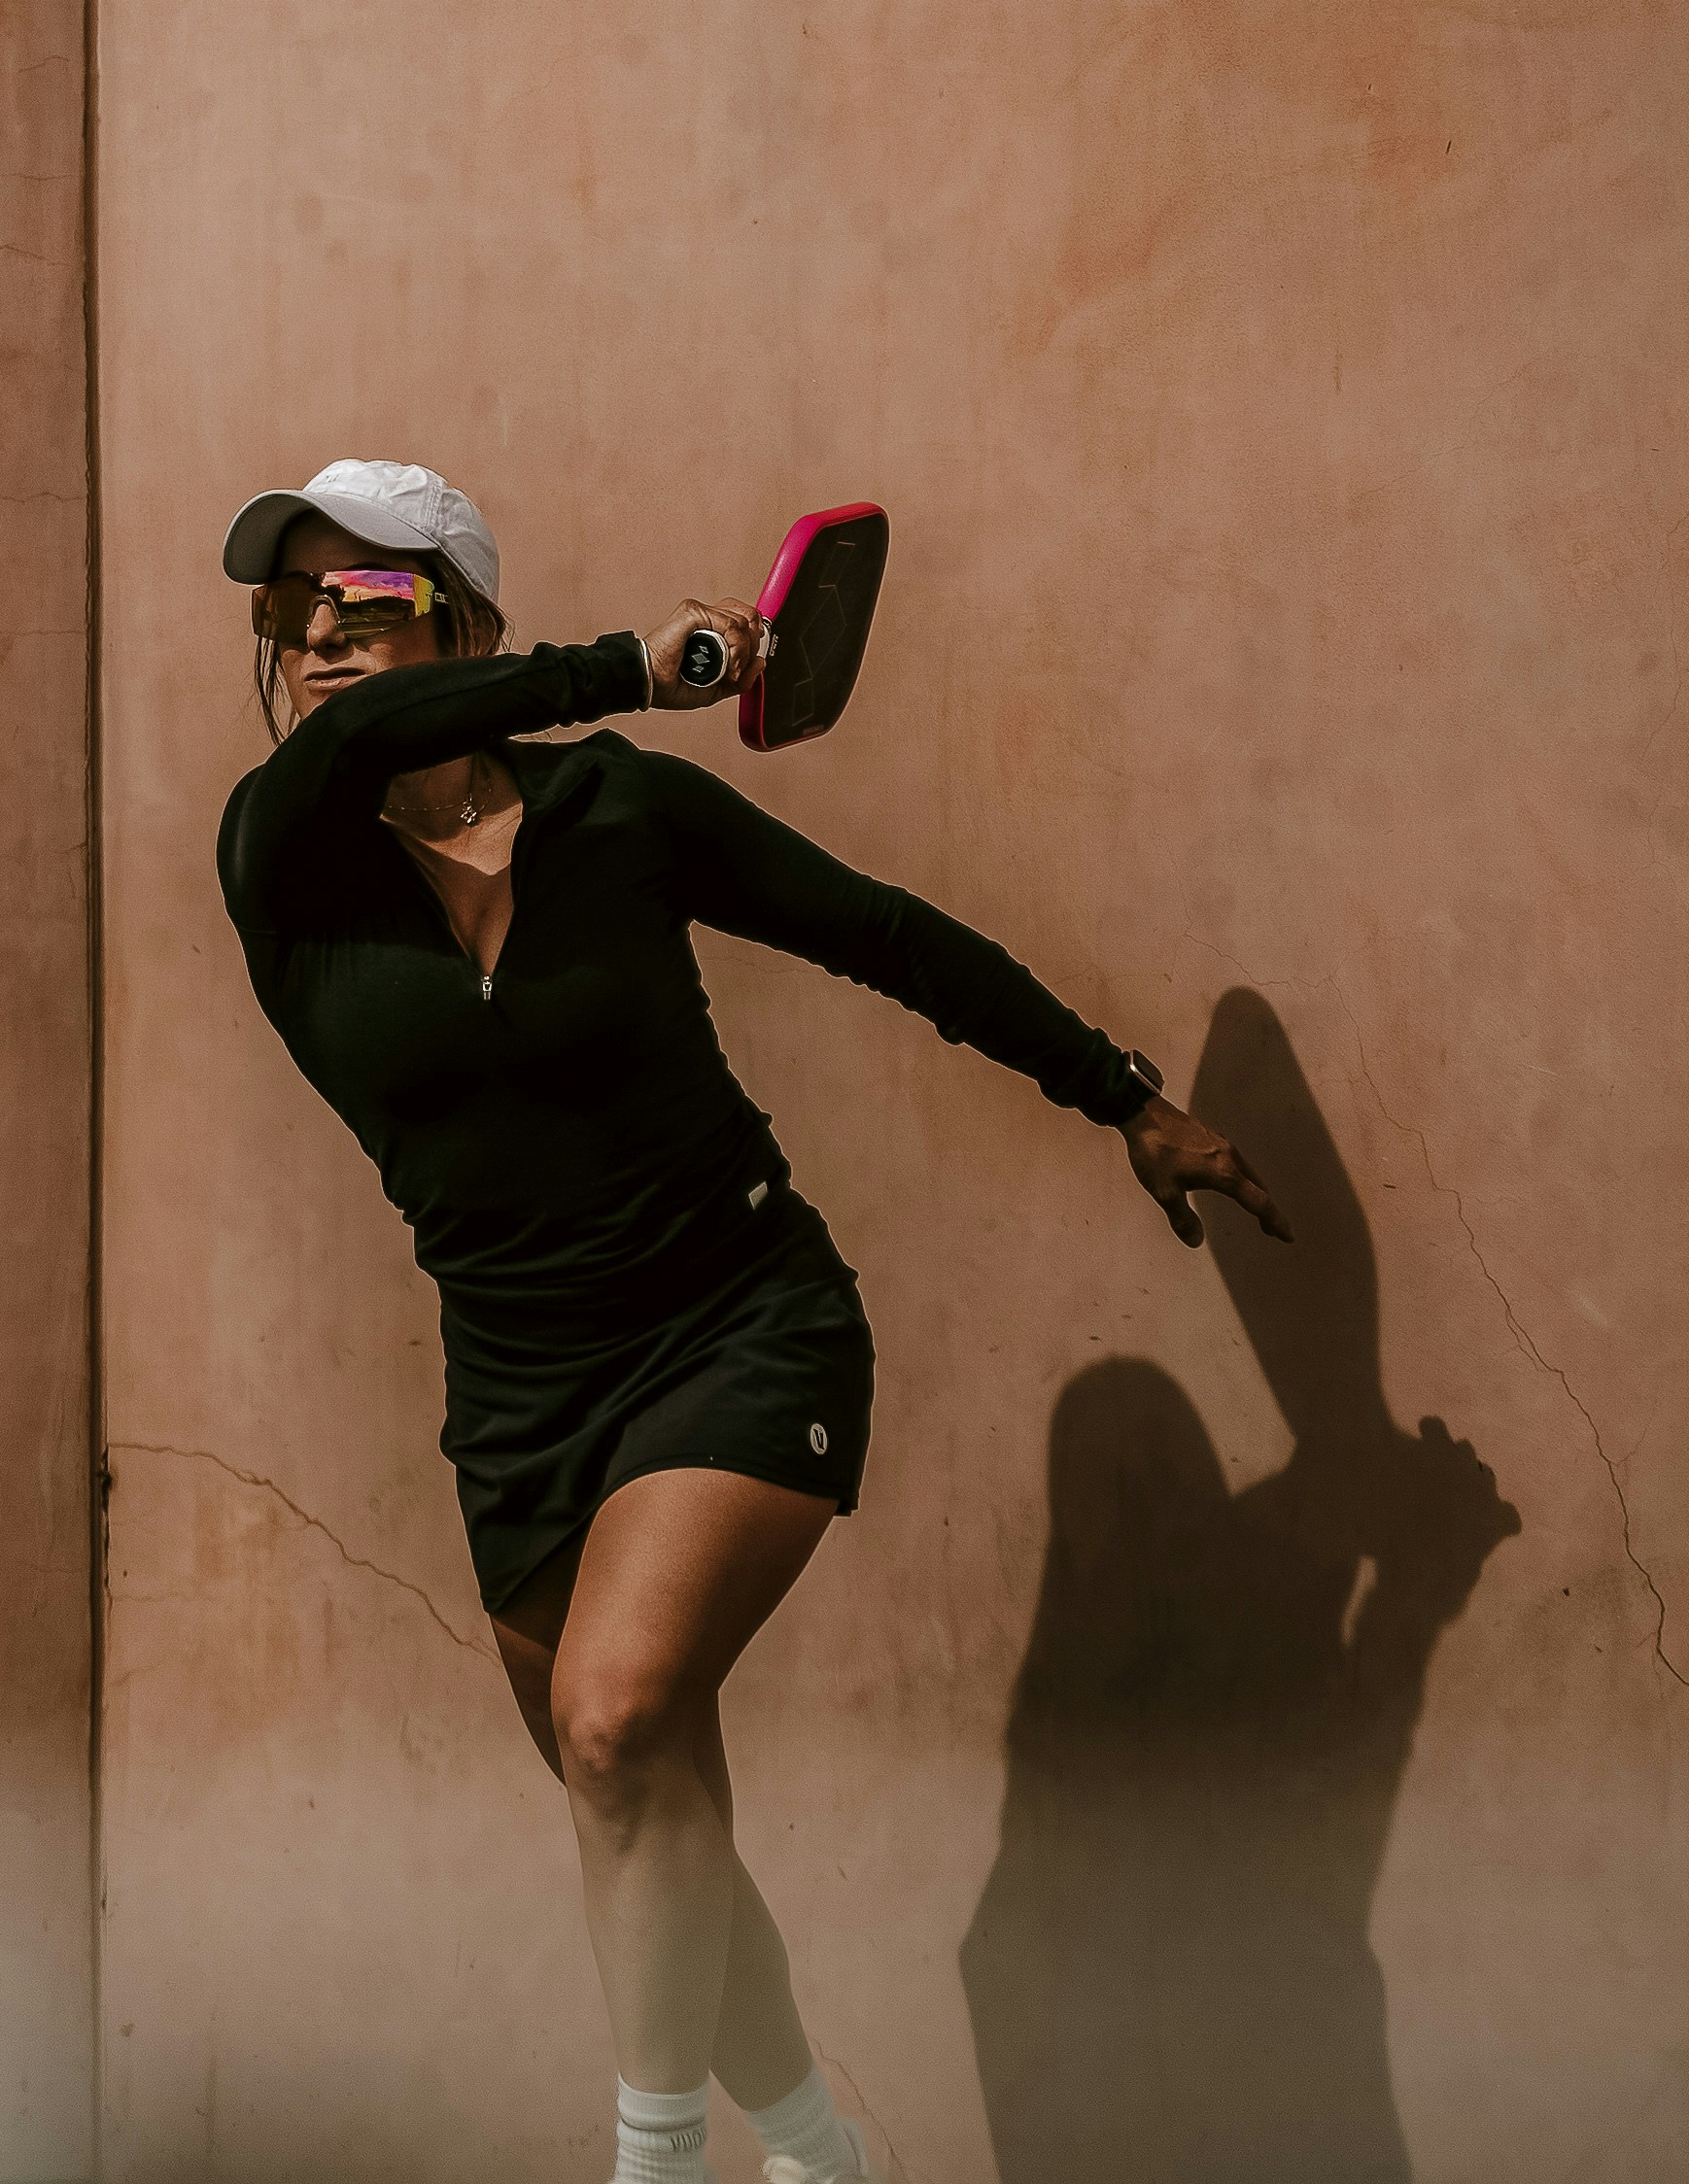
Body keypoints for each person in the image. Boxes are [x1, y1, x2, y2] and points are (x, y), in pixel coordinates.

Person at [213, 458, 1293, 2184]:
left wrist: (1120, 1097)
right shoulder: (281, 851)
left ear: (462, 614)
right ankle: (810, 2149)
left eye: (370, 596)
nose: (321, 634)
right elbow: (342, 754)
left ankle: (657, 2166)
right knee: (644, 1805)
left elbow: (883, 936)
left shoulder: (624, 816)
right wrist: (628, 661)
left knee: (617, 1716)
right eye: (293, 606)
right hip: (517, 1399)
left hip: (736, 1321)